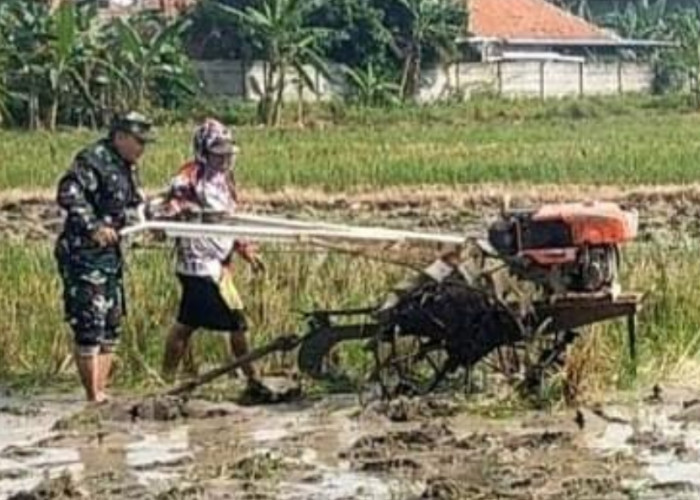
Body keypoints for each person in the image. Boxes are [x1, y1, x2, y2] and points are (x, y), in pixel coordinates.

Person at [157, 118, 268, 396]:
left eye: (227, 153)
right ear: (204, 152)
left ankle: (169, 379)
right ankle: (167, 381)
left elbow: (230, 221)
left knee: (201, 323)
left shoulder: (226, 181)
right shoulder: (189, 176)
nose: (224, 158)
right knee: (214, 323)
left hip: (219, 265)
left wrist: (245, 249)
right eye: (218, 153)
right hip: (197, 264)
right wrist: (179, 211)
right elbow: (170, 205)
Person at [55, 111, 154, 403]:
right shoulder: (93, 159)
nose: (142, 148)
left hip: (111, 255)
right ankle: (92, 395)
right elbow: (68, 193)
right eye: (138, 141)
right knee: (90, 323)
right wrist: (94, 226)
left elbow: (135, 203)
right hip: (84, 254)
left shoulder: (127, 166)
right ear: (120, 136)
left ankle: (100, 391)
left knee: (111, 322)